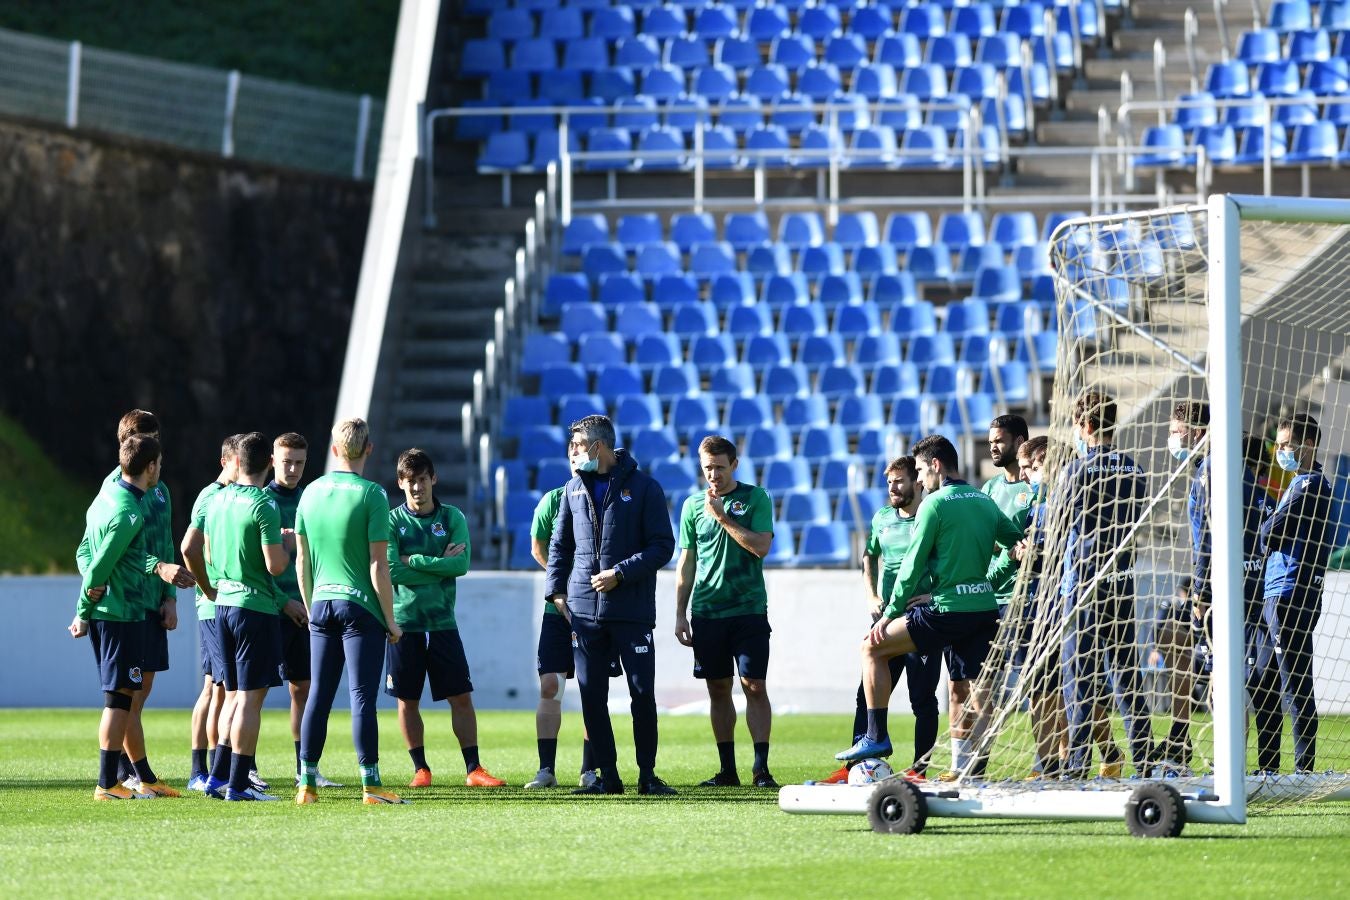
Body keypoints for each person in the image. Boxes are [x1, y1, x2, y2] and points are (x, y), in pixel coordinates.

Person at [837, 434, 1022, 765]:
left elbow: (911, 566)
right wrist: (997, 572)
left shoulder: (933, 505)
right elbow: (1016, 546)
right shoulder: (983, 500)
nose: (920, 479)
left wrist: (889, 615)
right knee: (968, 690)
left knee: (871, 648)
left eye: (920, 471)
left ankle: (876, 737)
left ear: (936, 466)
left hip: (946, 611)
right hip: (983, 609)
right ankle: (972, 768)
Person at [545, 415, 677, 796]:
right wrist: (557, 593)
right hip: (585, 615)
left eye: (578, 445)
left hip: (631, 611)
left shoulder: (645, 488)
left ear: (598, 447)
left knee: (641, 694)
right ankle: (608, 777)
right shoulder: (572, 489)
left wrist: (621, 572)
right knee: (591, 697)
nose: (573, 452)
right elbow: (560, 546)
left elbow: (661, 547)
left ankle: (648, 776)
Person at [1167, 402, 1283, 776]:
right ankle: (1247, 763)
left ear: (1196, 431)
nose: (1171, 438)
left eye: (1176, 431)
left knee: (1226, 677)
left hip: (1223, 590)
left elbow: (1208, 540)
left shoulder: (1210, 470)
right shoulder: (1237, 470)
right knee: (1246, 680)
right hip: (1248, 583)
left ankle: (1230, 763)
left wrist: (1200, 589)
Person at [295, 418, 405, 805]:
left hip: (321, 603)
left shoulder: (310, 492)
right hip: (359, 607)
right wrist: (391, 621)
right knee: (361, 698)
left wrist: (311, 607)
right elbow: (379, 565)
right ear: (368, 450)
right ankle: (371, 786)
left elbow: (302, 561)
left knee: (318, 696)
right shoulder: (372, 494)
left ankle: (306, 783)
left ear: (334, 447)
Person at [386, 449, 506, 788]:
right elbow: (391, 569)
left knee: (461, 697)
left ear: (433, 479)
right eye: (410, 482)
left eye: (422, 480)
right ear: (400, 483)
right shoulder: (392, 521)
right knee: (407, 700)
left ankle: (474, 769)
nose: (416, 488)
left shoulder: (452, 517)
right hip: (404, 623)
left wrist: (416, 562)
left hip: (441, 623)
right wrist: (437, 562)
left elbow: (460, 565)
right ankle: (420, 769)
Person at [819, 455, 940, 785]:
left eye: (899, 481)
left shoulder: (932, 515)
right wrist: (871, 594)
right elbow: (868, 554)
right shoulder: (882, 518)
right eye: (889, 482)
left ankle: (919, 771)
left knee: (923, 699)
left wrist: (932, 596)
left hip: (921, 619)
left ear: (918, 482)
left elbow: (951, 561)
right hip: (888, 618)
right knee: (867, 694)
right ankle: (857, 767)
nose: (893, 487)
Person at [1056, 390, 1154, 779]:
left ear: (1087, 425)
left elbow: (1060, 526)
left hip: (1083, 583)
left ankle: (1077, 765)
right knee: (1126, 675)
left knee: (1078, 676)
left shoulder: (1075, 471)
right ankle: (1145, 761)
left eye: (1077, 424)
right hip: (1121, 582)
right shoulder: (1135, 470)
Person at [674, 435, 778, 789]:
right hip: (707, 611)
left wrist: (722, 518)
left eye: (720, 467)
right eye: (707, 468)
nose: (713, 475)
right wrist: (679, 613)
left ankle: (761, 769)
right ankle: (727, 770)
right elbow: (686, 563)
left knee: (754, 686)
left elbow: (761, 547)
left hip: (748, 608)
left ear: (734, 464)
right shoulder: (690, 506)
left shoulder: (755, 497)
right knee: (718, 689)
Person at [102, 410, 195, 797]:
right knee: (128, 694)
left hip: (155, 602)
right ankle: (134, 774)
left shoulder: (160, 489)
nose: (157, 448)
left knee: (142, 691)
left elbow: (166, 543)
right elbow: (116, 550)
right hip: (129, 603)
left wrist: (170, 599)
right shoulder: (114, 491)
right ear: (129, 445)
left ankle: (132, 773)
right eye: (148, 439)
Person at [201, 432, 296, 801]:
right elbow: (274, 566)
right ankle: (238, 784)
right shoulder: (264, 504)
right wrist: (287, 549)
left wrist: (213, 587)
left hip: (221, 603)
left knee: (234, 696)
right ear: (269, 463)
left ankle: (216, 777)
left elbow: (202, 550)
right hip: (254, 608)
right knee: (250, 701)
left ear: (236, 462)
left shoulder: (218, 499)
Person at [70, 433, 161, 800]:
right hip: (121, 616)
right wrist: (82, 612)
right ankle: (107, 783)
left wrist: (90, 603)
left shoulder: (105, 495)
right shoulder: (129, 513)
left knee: (121, 696)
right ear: (151, 467)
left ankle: (113, 781)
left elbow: (83, 553)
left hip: (114, 614)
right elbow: (96, 571)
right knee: (119, 698)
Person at [524, 439, 612, 791]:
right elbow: (537, 546)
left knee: (593, 690)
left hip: (593, 610)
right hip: (556, 609)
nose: (578, 458)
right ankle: (546, 769)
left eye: (583, 452)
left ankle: (589, 770)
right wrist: (562, 583)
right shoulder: (552, 500)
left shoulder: (605, 499)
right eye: (572, 453)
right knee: (550, 685)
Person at [265, 432, 341, 790]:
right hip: (269, 610)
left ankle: (304, 767)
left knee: (303, 689)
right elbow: (252, 564)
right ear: (272, 461)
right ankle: (242, 767)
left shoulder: (312, 499)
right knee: (252, 692)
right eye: (286, 461)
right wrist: (284, 601)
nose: (293, 468)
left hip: (307, 611)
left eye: (299, 462)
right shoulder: (262, 502)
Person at [1260, 412, 1332, 773]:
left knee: (1294, 684)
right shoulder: (1300, 483)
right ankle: (1268, 767)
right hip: (1279, 592)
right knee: (1263, 682)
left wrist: (1266, 526)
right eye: (1279, 444)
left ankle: (1303, 771)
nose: (1280, 451)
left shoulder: (1309, 484)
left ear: (1308, 445)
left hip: (1290, 593)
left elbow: (1270, 532)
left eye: (1287, 444)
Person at [181, 435, 236, 791]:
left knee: (215, 687)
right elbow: (194, 547)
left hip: (218, 602)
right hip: (214, 603)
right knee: (217, 688)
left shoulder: (228, 497)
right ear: (225, 462)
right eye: (237, 463)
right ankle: (203, 770)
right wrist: (208, 589)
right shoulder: (213, 496)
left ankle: (207, 769)